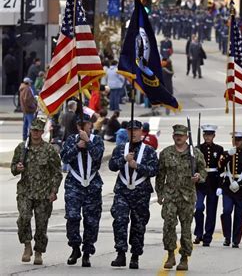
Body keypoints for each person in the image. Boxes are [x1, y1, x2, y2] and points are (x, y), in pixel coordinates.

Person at [10, 117, 63, 265]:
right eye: (33, 130)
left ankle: (39, 251)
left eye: (38, 131)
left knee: (41, 224)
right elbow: (13, 168)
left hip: (43, 193)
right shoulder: (22, 148)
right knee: (23, 218)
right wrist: (17, 168)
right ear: (30, 130)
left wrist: (54, 191)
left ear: (42, 132)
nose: (35, 133)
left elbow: (57, 172)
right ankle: (27, 245)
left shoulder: (49, 150)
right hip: (25, 191)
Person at [109, 120, 159, 269]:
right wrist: (124, 160)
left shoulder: (149, 150)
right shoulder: (120, 149)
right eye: (130, 130)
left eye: (136, 130)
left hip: (141, 192)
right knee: (119, 220)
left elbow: (154, 170)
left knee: (138, 225)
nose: (133, 133)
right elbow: (111, 166)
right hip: (122, 191)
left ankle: (135, 256)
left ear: (141, 131)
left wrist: (137, 166)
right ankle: (120, 253)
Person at [157, 124, 206, 271]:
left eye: (181, 135)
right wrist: (159, 194)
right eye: (176, 135)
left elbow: (203, 171)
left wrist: (199, 177)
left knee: (186, 229)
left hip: (187, 196)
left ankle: (184, 257)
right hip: (171, 195)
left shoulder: (195, 154)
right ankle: (170, 254)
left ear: (187, 137)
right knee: (169, 226)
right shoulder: (166, 153)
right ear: (173, 136)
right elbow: (160, 175)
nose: (179, 137)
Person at [60, 114, 104, 267]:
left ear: (90, 125)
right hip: (74, 183)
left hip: (92, 184)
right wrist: (77, 146)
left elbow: (98, 156)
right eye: (80, 124)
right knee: (72, 217)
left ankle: (87, 252)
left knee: (91, 220)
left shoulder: (97, 140)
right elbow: (64, 158)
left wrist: (88, 142)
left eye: (85, 124)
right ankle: (75, 247)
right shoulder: (71, 140)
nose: (82, 126)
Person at [218, 131, 242, 248]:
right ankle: (227, 237)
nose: (237, 142)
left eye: (239, 140)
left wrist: (240, 184)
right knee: (227, 211)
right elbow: (220, 166)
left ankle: (236, 240)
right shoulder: (226, 153)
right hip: (228, 187)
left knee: (239, 215)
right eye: (235, 140)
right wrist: (229, 155)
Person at [194, 125, 224, 246]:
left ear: (213, 136)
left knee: (211, 211)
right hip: (200, 183)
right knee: (199, 208)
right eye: (206, 135)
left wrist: (220, 186)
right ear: (203, 136)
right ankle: (198, 233)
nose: (208, 137)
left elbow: (221, 169)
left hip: (213, 182)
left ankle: (208, 237)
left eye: (210, 135)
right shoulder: (197, 148)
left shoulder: (219, 149)